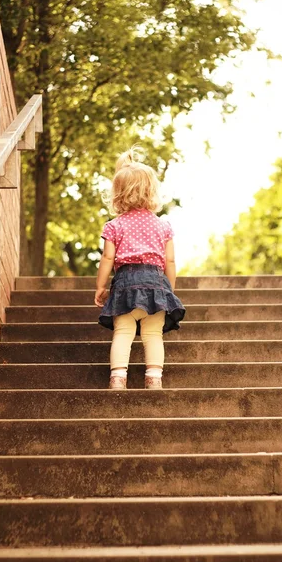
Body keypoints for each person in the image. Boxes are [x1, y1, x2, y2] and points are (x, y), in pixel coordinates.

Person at [94, 146, 186, 390]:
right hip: (156, 285)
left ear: (118, 193)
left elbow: (107, 257)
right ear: (151, 191)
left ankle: (118, 378)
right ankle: (154, 378)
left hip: (125, 284)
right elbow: (170, 262)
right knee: (153, 335)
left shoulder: (114, 226)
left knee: (123, 332)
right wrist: (169, 291)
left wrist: (101, 286)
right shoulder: (163, 226)